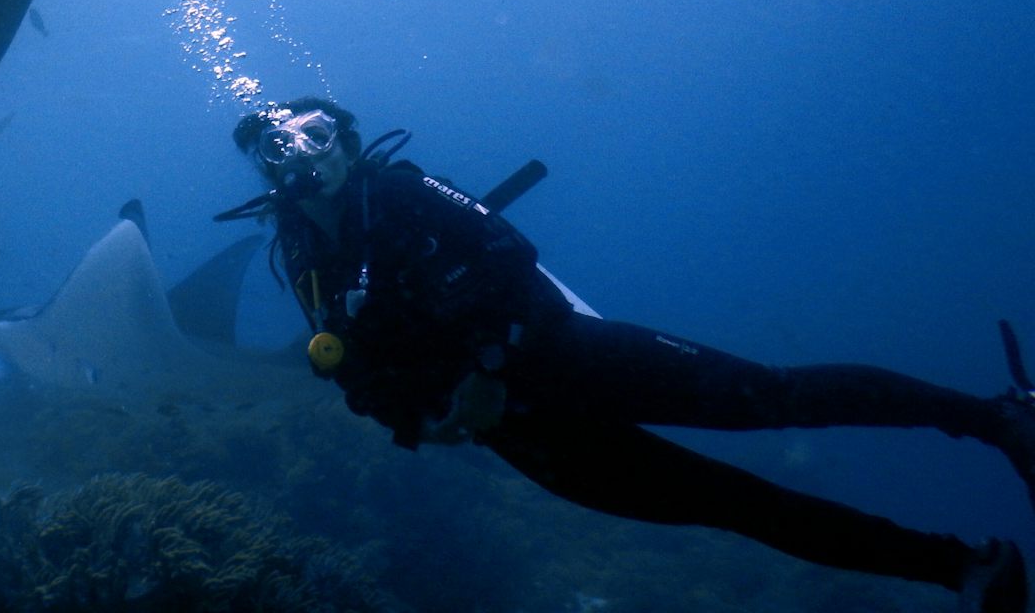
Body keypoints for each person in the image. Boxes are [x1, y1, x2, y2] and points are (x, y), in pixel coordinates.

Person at [219, 97, 1035, 612]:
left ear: (347, 141)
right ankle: (966, 570)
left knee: (772, 396)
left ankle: (998, 421)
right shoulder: (302, 259)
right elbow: (348, 371)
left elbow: (511, 255)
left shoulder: (397, 190)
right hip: (530, 438)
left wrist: (488, 372)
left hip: (571, 357)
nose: (298, 154)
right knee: (736, 506)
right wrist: (418, 425)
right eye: (276, 149)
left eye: (315, 133)